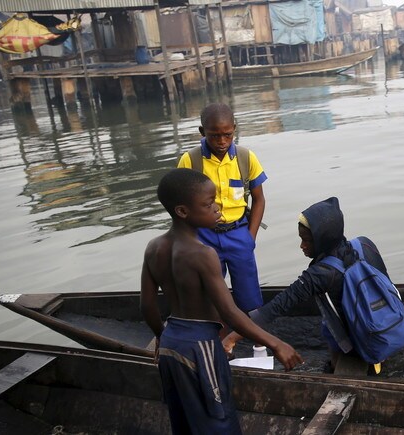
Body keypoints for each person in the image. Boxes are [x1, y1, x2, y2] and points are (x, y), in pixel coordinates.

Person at [140, 168, 301, 434]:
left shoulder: (153, 247)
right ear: (182, 211)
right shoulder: (203, 254)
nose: (217, 208)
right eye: (208, 204)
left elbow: (147, 307)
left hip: (170, 344)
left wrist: (162, 336)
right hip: (199, 345)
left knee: (185, 421)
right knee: (218, 419)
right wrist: (275, 343)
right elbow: (229, 311)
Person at [222, 197, 391, 373]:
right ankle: (382, 352)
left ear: (323, 239)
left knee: (329, 324)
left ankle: (340, 363)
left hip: (363, 335)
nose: (302, 246)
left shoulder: (321, 274)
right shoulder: (363, 243)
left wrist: (231, 339)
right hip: (385, 323)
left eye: (307, 240)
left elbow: (274, 309)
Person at [178, 103, 267, 313]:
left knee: (249, 295)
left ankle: (253, 341)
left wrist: (250, 238)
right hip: (204, 236)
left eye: (227, 135)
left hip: (239, 233)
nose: (222, 142)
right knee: (208, 292)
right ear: (202, 132)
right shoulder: (190, 161)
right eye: (214, 136)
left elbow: (259, 199)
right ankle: (216, 335)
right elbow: (180, 206)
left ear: (234, 129)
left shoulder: (246, 158)